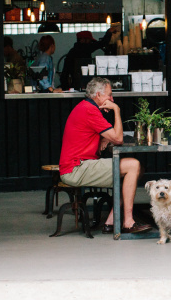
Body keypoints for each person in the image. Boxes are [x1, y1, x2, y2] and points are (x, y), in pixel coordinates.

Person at [59, 77, 150, 234]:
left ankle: (111, 221)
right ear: (98, 95)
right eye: (109, 95)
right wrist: (117, 110)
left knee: (138, 169)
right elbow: (118, 139)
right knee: (133, 165)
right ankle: (128, 222)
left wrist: (104, 138)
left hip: (79, 165)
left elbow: (106, 135)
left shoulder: (86, 107)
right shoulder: (90, 110)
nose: (112, 99)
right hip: (76, 168)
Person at [59, 26, 117, 90]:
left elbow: (64, 74)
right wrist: (109, 32)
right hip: (85, 84)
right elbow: (102, 43)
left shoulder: (71, 52)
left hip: (75, 85)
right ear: (82, 40)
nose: (90, 43)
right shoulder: (85, 48)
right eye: (90, 41)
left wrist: (66, 89)